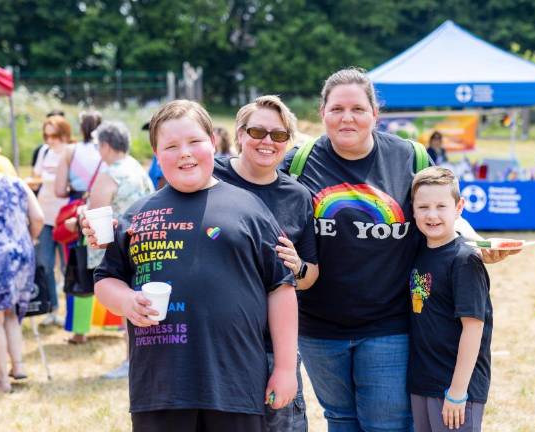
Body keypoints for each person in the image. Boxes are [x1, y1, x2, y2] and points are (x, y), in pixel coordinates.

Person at [281, 67, 513, 431]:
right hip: (318, 328)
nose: (347, 118)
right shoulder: (298, 163)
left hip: (389, 325)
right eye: (337, 108)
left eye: (358, 109)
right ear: (322, 112)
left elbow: (442, 207)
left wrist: (476, 243)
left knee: (387, 423)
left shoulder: (409, 158)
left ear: (376, 113)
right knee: (340, 419)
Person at [92, 100, 298, 431]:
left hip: (236, 382)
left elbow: (281, 289)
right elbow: (105, 280)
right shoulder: (137, 214)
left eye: (194, 142)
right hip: (159, 386)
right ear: (157, 157)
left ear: (213, 144)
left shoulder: (250, 209)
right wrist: (126, 301)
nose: (184, 153)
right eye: (170, 146)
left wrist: (286, 368)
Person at [214, 95, 318, 431]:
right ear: (240, 134)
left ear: (289, 142)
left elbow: (311, 275)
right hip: (214, 341)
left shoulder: (297, 196)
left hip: (275, 347)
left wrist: (297, 266)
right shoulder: (210, 175)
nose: (267, 141)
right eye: (258, 131)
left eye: (278, 135)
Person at [408, 167, 492, 432]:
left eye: (441, 206)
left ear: (459, 208)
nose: (431, 215)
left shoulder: (465, 260)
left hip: (456, 388)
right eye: (423, 207)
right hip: (423, 382)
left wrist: (457, 391)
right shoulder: (420, 250)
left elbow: (473, 327)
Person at [84, 121, 154, 379]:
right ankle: (133, 359)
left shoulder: (110, 174)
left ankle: (129, 361)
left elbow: (96, 211)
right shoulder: (136, 167)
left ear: (105, 145)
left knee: (129, 306)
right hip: (145, 244)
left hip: (115, 246)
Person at [0, 141, 45, 393]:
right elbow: (38, 218)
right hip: (21, 253)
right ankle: (19, 366)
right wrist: (30, 239)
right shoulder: (16, 182)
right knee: (11, 312)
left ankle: (2, 380)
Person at [54, 111, 103, 343]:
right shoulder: (107, 151)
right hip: (103, 207)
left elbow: (58, 190)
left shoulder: (70, 151)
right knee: (108, 265)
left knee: (77, 268)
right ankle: (113, 325)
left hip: (77, 210)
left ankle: (79, 331)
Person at [34, 115, 73, 327]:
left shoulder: (70, 153)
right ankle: (52, 309)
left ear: (64, 135)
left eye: (54, 136)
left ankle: (70, 312)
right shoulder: (44, 152)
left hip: (65, 217)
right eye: (46, 135)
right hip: (45, 215)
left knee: (68, 267)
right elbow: (37, 175)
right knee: (45, 263)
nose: (50, 140)